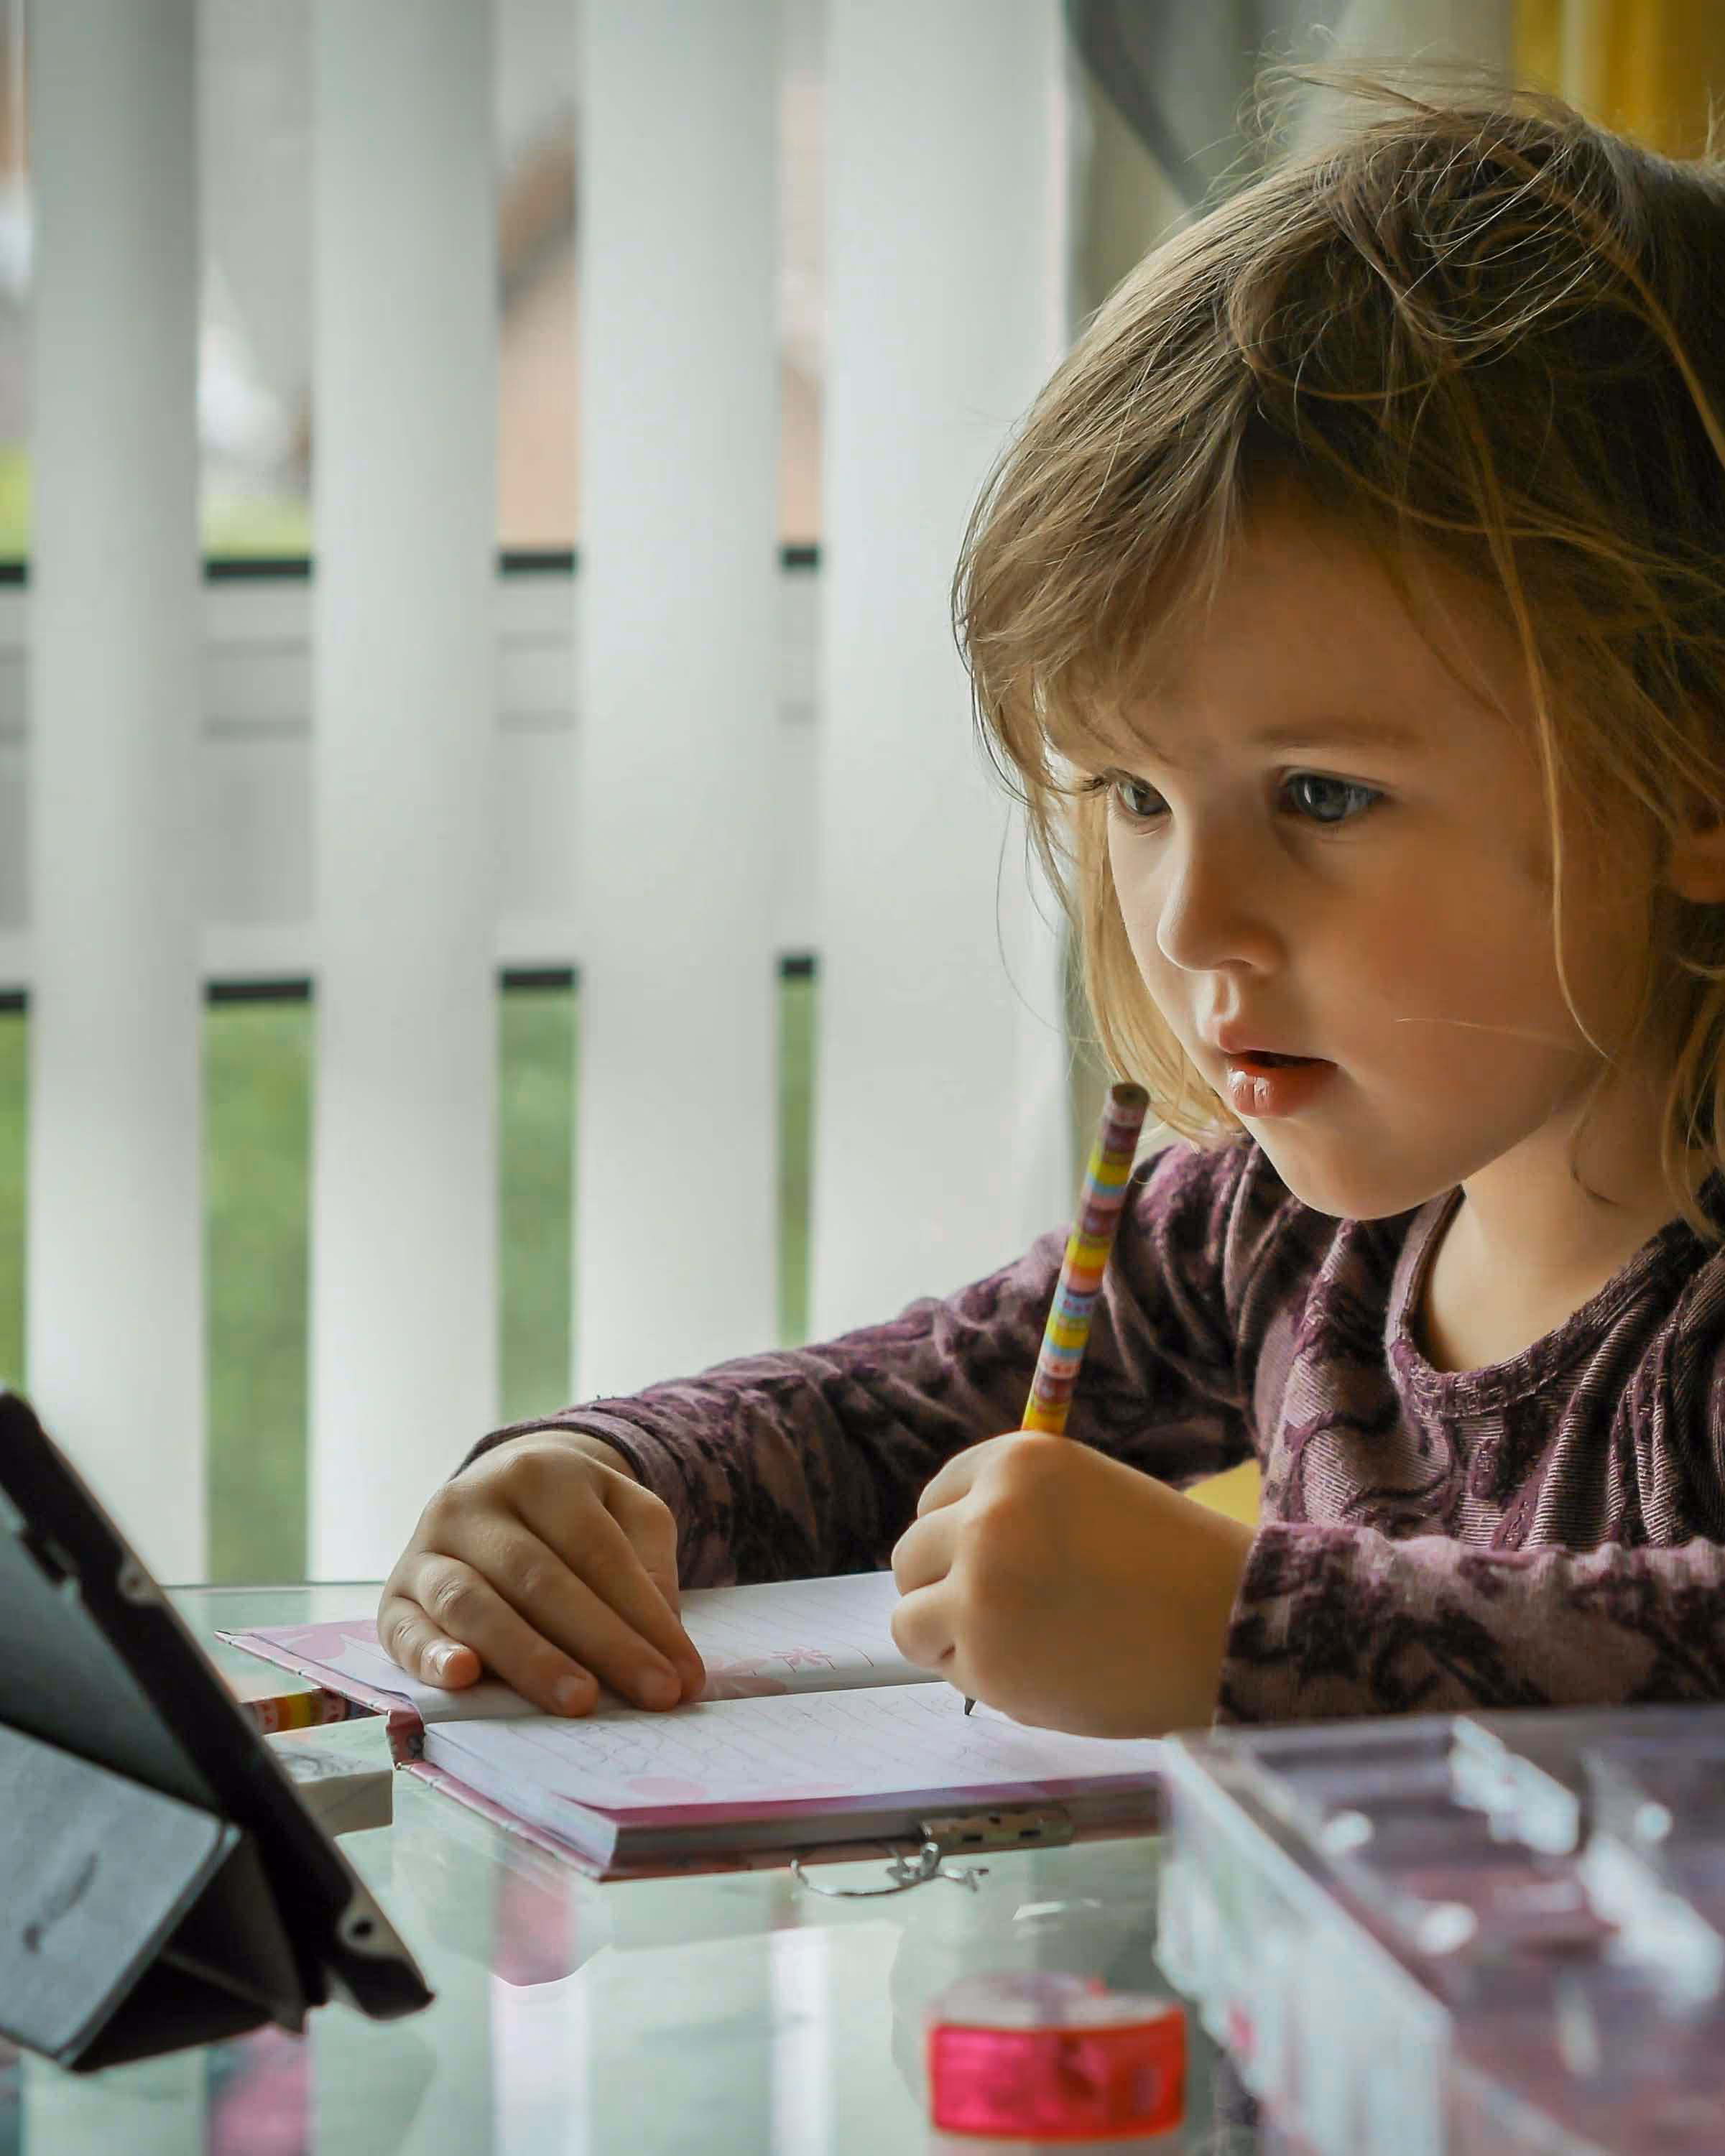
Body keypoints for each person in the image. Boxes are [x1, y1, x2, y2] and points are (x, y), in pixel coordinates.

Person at [379, 69, 1725, 1740]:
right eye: (1135, 798)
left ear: (1693, 786)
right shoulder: (1275, 1229)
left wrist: (1249, 1628)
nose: (1189, 924)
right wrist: (592, 1483)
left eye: (1322, 796)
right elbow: (877, 1421)